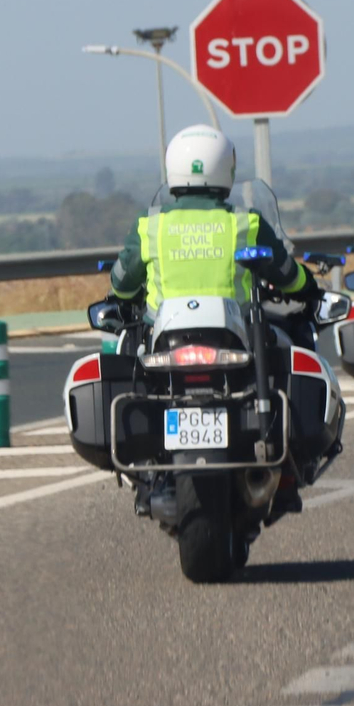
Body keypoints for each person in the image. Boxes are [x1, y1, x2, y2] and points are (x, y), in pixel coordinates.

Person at [108, 123, 319, 516]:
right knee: (285, 354)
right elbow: (288, 275)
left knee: (128, 355)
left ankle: (147, 468)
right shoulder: (246, 223)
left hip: (166, 342)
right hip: (235, 338)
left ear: (174, 171)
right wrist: (308, 288)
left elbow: (121, 282)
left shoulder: (152, 225)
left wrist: (125, 298)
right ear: (228, 169)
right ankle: (286, 467)